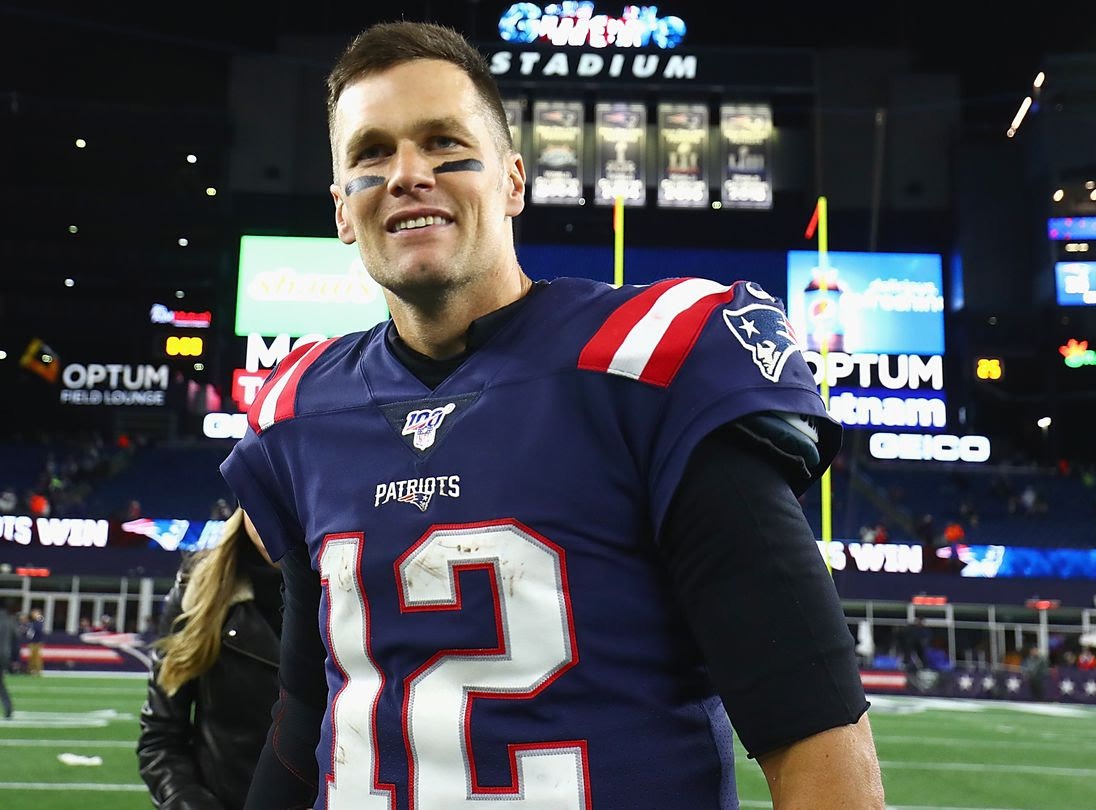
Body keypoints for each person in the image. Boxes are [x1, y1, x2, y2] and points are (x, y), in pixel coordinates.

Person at [221, 20, 883, 810]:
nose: (407, 174)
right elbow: (307, 716)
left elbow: (812, 729)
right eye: (371, 153)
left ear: (511, 181)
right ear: (341, 208)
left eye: (442, 142)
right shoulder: (300, 413)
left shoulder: (648, 367)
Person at [137, 508, 282, 809]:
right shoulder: (196, 595)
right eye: (261, 496)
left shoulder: (352, 595)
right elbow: (161, 739)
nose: (273, 513)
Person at [0, 599, 17, 718]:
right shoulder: (10, 620)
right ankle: (8, 707)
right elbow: (17, 637)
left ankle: (9, 707)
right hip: (4, 655)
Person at [25, 607, 44, 676]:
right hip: (33, 642)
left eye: (34, 613)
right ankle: (32, 670)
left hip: (36, 642)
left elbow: (37, 631)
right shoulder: (33, 622)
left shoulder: (38, 622)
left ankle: (37, 670)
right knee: (32, 657)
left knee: (36, 658)